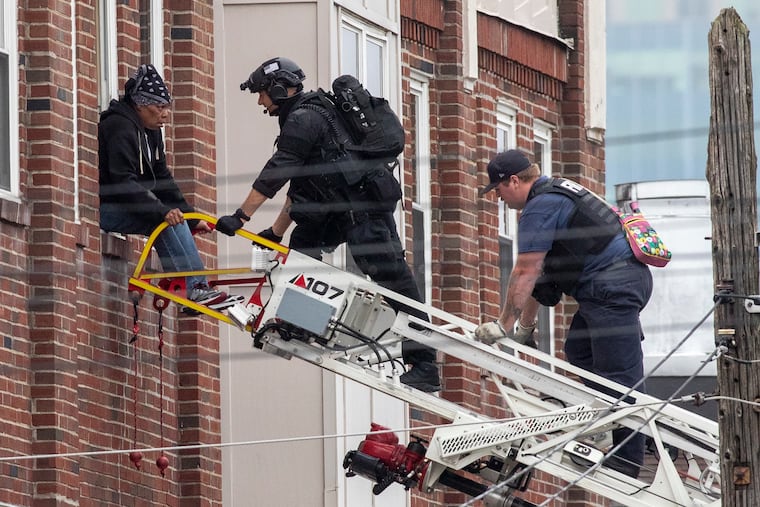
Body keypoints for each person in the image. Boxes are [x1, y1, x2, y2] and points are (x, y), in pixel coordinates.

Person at [214, 56, 441, 392]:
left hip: (363, 212)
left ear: (279, 88)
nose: (261, 101)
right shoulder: (307, 117)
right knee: (302, 250)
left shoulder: (304, 119)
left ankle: (424, 363)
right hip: (339, 212)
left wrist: (241, 216)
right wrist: (275, 232)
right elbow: (301, 189)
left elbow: (277, 171)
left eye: (262, 93)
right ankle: (303, 321)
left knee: (394, 282)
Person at [474, 149, 653, 478]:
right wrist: (524, 328)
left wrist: (504, 325)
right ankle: (622, 427)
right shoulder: (558, 192)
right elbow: (543, 281)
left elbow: (525, 271)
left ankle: (627, 460)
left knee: (619, 375)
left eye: (498, 189)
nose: (498, 197)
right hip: (615, 284)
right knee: (579, 351)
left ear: (515, 181)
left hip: (612, 288)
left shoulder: (539, 207)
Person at [99, 64, 240, 313]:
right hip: (104, 209)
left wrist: (188, 214)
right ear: (140, 105)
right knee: (163, 221)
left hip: (131, 204)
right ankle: (194, 288)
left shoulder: (152, 132)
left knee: (172, 218)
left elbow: (163, 178)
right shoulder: (120, 127)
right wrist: (160, 211)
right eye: (160, 107)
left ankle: (194, 288)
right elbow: (123, 182)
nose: (165, 114)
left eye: (167, 107)